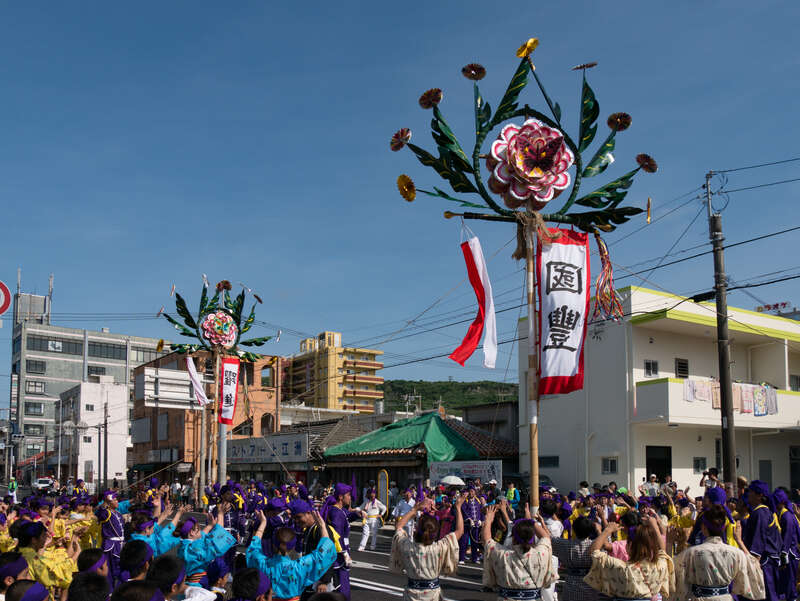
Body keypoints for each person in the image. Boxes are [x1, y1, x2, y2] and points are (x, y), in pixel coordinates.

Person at [672, 504, 765, 601]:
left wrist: (670, 543)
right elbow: (755, 568)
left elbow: (670, 573)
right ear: (724, 527)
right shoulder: (736, 553)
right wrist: (739, 541)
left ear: (703, 528)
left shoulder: (691, 553)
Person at [247, 509, 336, 601]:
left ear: (273, 544)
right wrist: (322, 527)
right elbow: (324, 552)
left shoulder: (263, 563)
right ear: (293, 547)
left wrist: (263, 523)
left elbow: (253, 548)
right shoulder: (299, 566)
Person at [389, 492, 463, 600]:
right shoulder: (439, 548)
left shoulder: (408, 547)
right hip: (432, 596)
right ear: (435, 533)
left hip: (411, 596)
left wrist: (415, 509)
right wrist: (458, 507)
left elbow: (399, 526)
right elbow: (460, 531)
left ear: (416, 531)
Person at [585, 514, 673, 601]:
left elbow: (593, 552)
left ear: (630, 545)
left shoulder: (621, 568)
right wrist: (655, 526)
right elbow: (662, 551)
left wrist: (607, 530)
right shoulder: (659, 566)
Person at [482, 504, 557, 601]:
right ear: (532, 537)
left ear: (513, 538)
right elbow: (546, 537)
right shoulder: (540, 554)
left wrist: (488, 520)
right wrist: (531, 522)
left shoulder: (502, 554)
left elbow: (486, 540)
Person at [742, 480, 782, 601]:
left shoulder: (760, 512)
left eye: (751, 492)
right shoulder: (761, 511)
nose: (748, 494)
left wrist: (754, 562)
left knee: (767, 595)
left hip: (765, 562)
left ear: (760, 495)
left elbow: (758, 540)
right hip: (768, 560)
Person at [551, 516, 598, 601]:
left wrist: (538, 522)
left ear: (574, 530)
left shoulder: (566, 545)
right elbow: (608, 546)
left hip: (571, 588)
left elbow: (548, 538)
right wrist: (600, 530)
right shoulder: (595, 546)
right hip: (591, 588)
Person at [774, 488, 800, 601]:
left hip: (790, 555)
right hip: (789, 554)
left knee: (790, 587)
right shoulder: (785, 514)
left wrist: (783, 555)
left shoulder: (787, 516)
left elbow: (788, 537)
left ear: (782, 502)